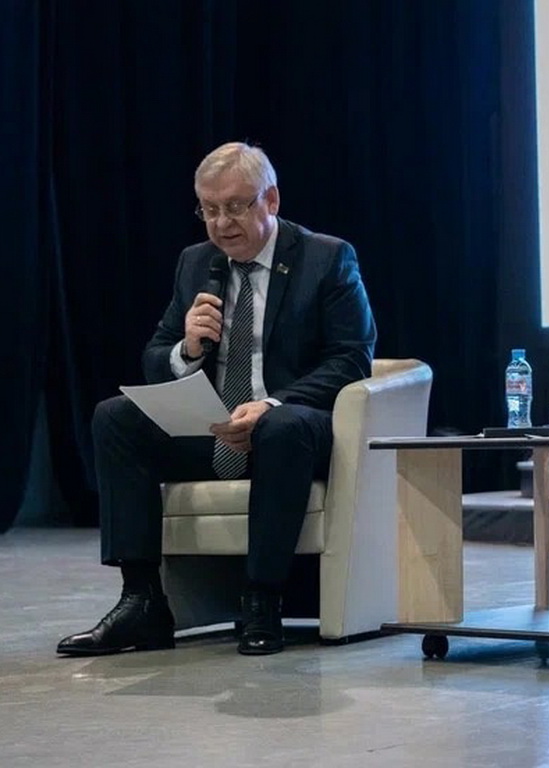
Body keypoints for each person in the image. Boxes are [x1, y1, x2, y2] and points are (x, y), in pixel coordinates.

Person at [57, 142, 376, 657]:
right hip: (216, 432)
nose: (221, 223)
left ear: (271, 200)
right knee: (114, 418)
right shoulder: (196, 263)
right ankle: (142, 601)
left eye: (235, 206)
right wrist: (186, 348)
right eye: (209, 209)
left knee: (281, 427)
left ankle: (261, 599)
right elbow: (155, 357)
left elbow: (351, 359)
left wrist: (271, 404)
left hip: (294, 433)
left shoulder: (326, 258)